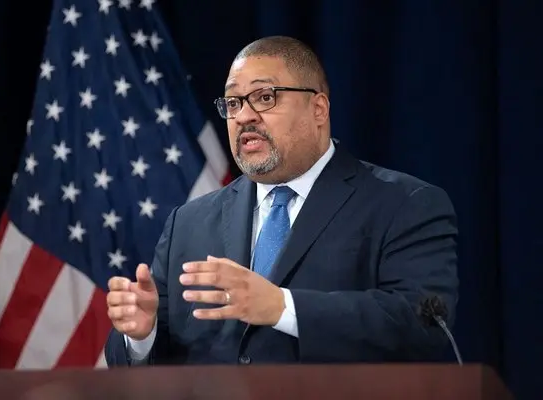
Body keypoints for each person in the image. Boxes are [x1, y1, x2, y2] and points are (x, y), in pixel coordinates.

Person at [104, 35, 459, 366]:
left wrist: (282, 307)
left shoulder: (404, 203)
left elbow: (423, 323)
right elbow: (147, 361)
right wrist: (142, 335)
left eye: (265, 97)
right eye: (233, 102)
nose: (244, 116)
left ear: (318, 109)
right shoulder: (188, 222)